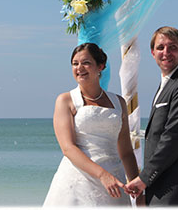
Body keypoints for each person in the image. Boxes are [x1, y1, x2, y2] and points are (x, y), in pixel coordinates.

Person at [43, 43, 144, 206]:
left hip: (114, 181)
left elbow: (125, 151)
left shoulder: (119, 102)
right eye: (75, 64)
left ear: (101, 66)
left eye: (86, 63)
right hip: (78, 181)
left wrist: (139, 192)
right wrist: (102, 175)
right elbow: (68, 148)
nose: (79, 68)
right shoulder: (65, 100)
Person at [125, 26, 178, 206]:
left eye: (172, 47)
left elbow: (174, 136)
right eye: (160, 47)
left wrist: (144, 178)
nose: (166, 52)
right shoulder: (168, 82)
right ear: (152, 52)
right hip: (162, 184)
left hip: (177, 185)